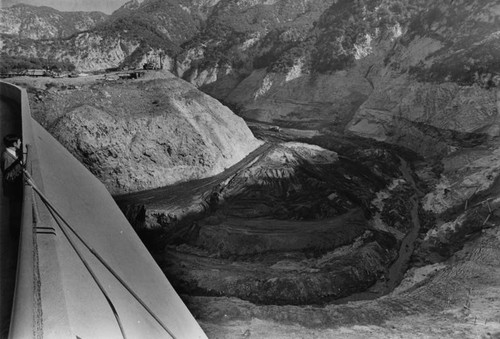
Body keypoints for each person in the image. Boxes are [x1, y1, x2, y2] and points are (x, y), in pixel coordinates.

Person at [1, 134, 24, 237]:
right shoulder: (6, 157)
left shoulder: (12, 153)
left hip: (15, 188)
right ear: (14, 144)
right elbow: (8, 176)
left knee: (16, 210)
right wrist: (20, 166)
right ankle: (14, 234)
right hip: (13, 190)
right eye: (19, 142)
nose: (20, 143)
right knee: (14, 211)